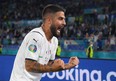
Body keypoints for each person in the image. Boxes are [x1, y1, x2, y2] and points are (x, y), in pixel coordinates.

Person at [10, 4, 79, 81]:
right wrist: (52, 68)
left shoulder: (54, 41)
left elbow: (49, 65)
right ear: (49, 21)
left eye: (64, 19)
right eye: (60, 19)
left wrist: (68, 65)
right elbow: (29, 66)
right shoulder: (36, 36)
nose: (64, 23)